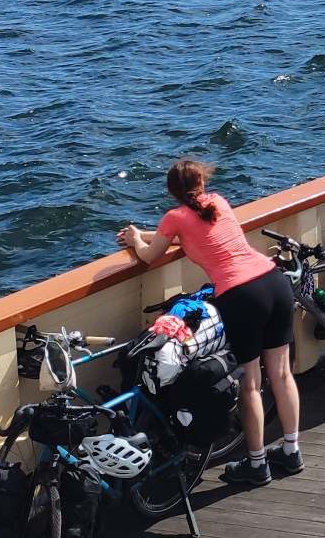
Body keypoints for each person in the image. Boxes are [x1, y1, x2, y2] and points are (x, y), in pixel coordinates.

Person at [117, 159, 301, 488]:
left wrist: (135, 239)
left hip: (242, 295)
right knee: (282, 373)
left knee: (251, 383)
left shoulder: (174, 217)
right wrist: (145, 234)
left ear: (172, 191)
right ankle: (291, 451)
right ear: (202, 182)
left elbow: (149, 255)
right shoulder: (218, 202)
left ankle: (257, 464)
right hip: (273, 281)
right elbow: (193, 234)